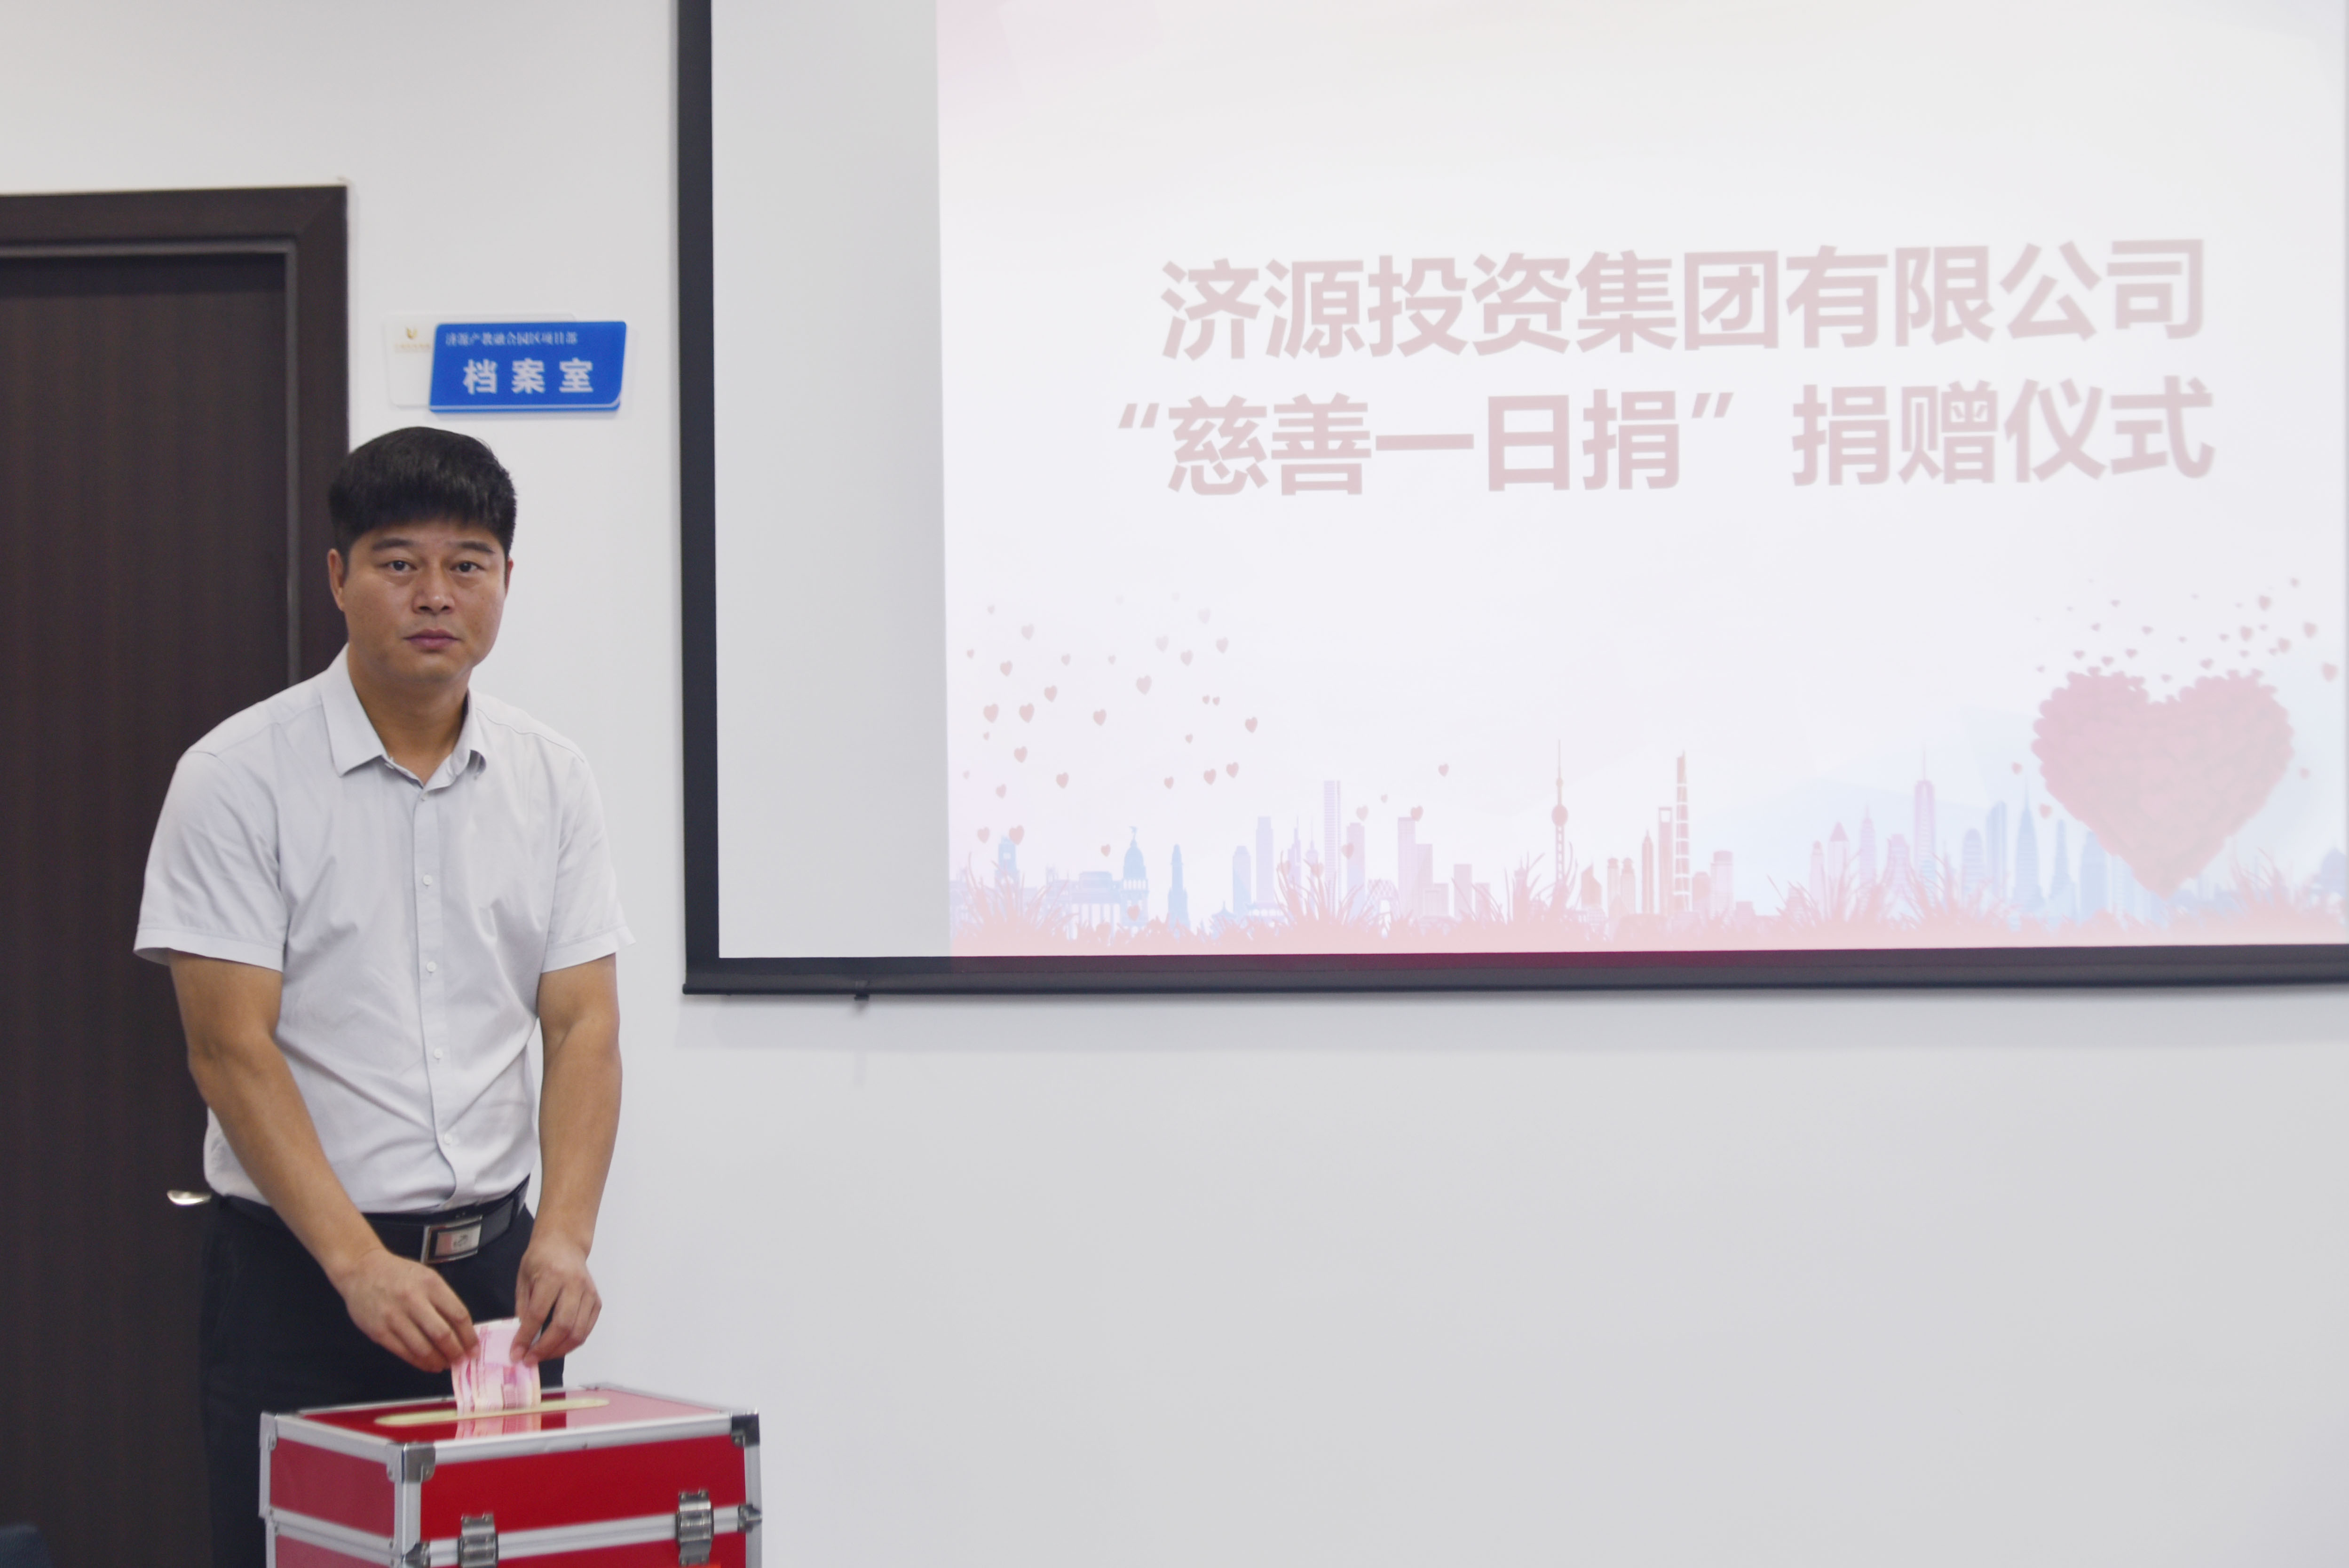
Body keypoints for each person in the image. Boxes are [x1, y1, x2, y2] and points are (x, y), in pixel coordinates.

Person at [134, 428, 629, 1568]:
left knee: (501, 1550)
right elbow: (230, 1049)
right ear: (337, 575)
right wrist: (356, 1262)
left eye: (468, 564)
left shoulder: (552, 778)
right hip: (301, 1279)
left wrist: (564, 1234)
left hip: (495, 1283)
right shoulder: (236, 777)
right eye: (399, 562)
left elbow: (582, 1023)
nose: (435, 594)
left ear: (507, 579)